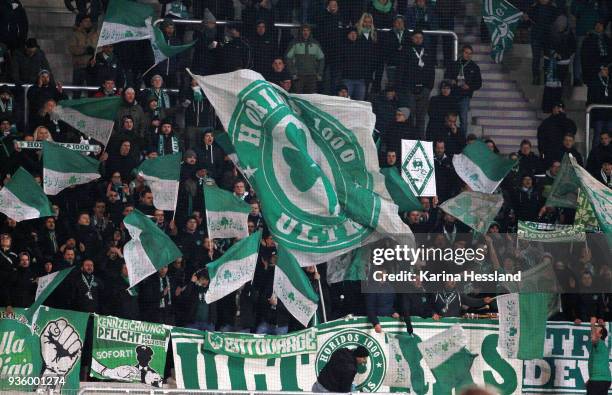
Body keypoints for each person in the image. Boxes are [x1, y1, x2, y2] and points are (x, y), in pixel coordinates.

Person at [399, 30, 435, 137]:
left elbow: (431, 70)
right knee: (410, 116)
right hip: (409, 89)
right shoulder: (406, 51)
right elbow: (401, 71)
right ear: (412, 38)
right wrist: (402, 88)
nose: (418, 39)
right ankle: (410, 140)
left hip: (424, 90)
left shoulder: (428, 51)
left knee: (421, 117)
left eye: (420, 37)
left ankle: (421, 142)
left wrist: (429, 87)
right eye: (416, 37)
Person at [445, 45, 482, 136]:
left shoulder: (474, 67)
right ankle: (448, 137)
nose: (468, 55)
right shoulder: (454, 64)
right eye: (466, 53)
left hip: (465, 97)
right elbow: (446, 77)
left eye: (470, 54)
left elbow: (478, 83)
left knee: (463, 121)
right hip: (452, 95)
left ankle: (461, 140)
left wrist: (469, 87)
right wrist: (452, 81)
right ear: (462, 53)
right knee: (449, 119)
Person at [285, 24, 325, 94]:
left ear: (310, 32)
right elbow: (288, 59)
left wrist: (319, 73)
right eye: (304, 30)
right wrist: (293, 73)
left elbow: (321, 59)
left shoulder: (315, 43)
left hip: (312, 76)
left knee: (311, 98)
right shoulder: (294, 43)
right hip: (298, 76)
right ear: (300, 31)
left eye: (307, 30)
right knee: (298, 97)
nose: (305, 32)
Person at [68, 15, 98, 98]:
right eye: (86, 21)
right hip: (79, 66)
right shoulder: (75, 34)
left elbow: (100, 48)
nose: (88, 23)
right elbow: (72, 49)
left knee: (92, 92)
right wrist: (85, 50)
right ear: (81, 23)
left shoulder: (96, 34)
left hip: (92, 66)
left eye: (89, 21)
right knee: (76, 91)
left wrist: (94, 50)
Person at [586, 317, 611, 395]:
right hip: (602, 380)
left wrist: (593, 323)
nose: (593, 331)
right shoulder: (602, 346)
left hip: (598, 381)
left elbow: (593, 338)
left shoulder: (599, 343)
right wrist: (591, 379)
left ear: (600, 335)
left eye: (595, 331)